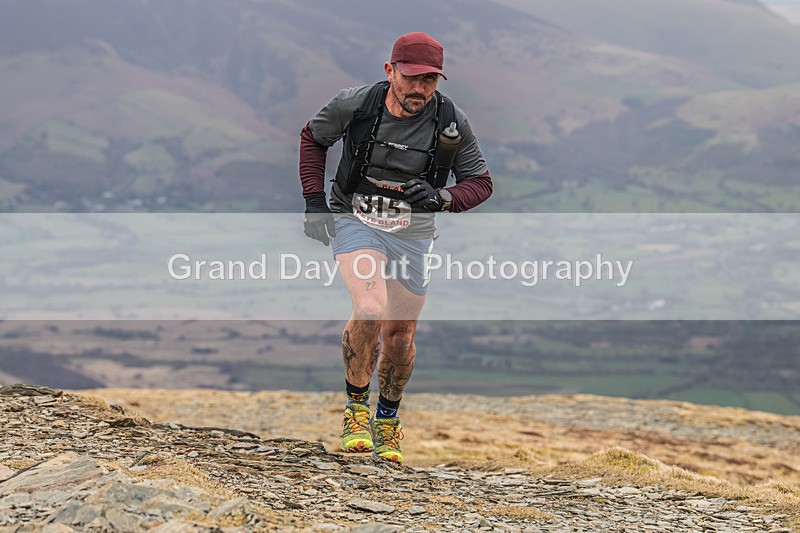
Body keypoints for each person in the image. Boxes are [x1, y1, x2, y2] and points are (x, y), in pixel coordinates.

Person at [298, 32, 492, 463]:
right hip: (355, 219)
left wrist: (443, 199)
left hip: (414, 233)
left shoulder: (450, 122)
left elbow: (481, 182)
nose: (419, 90)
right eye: (411, 79)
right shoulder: (357, 104)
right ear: (390, 71)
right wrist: (315, 203)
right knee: (369, 308)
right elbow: (313, 138)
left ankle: (387, 420)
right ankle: (355, 410)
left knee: (400, 334)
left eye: (430, 81)